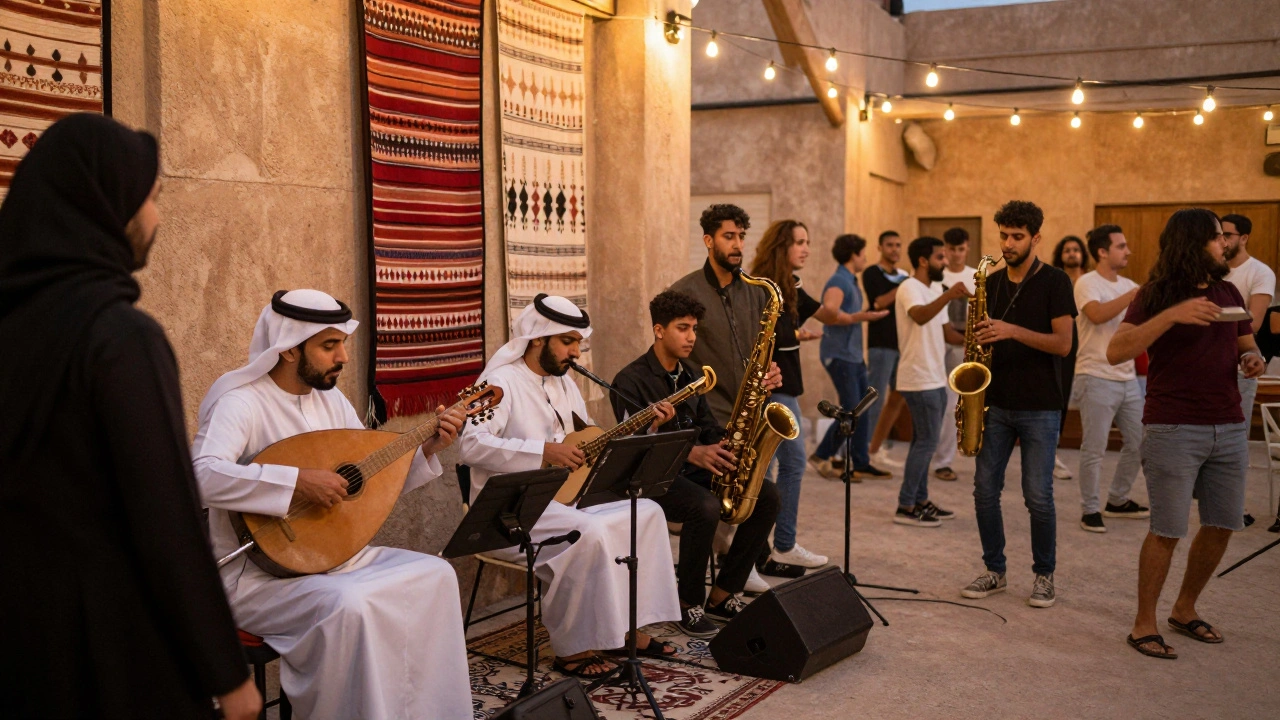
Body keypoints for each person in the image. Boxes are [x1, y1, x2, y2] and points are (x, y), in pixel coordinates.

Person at [0, 114, 259, 719]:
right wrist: (225, 670)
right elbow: (164, 515)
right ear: (106, 203)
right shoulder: (118, 337)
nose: (158, 217)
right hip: (107, 650)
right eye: (152, 197)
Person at [192, 289, 472, 719]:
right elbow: (200, 476)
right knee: (351, 607)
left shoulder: (332, 400)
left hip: (332, 555)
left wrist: (427, 448)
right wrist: (294, 482)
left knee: (435, 575)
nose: (343, 356)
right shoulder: (240, 401)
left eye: (342, 343)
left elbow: (368, 475)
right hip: (254, 576)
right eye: (329, 345)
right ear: (288, 349)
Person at [458, 295, 681, 678]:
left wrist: (646, 427)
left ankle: (624, 630)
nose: (576, 352)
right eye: (568, 342)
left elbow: (587, 438)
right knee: (587, 532)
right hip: (511, 509)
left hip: (565, 498)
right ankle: (572, 648)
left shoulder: (564, 384)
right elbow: (468, 445)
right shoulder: (499, 382)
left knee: (645, 513)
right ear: (538, 339)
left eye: (579, 342)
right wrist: (542, 451)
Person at [1107, 208, 1265, 659]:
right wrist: (1173, 315)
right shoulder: (1156, 294)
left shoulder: (1228, 289)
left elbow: (1245, 343)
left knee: (1222, 524)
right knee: (1168, 529)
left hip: (1229, 425)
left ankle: (1185, 607)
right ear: (1193, 243)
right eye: (1217, 238)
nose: (1225, 244)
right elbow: (1117, 349)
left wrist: (1253, 359)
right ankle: (1143, 624)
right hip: (1173, 425)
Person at [612, 290, 780, 636]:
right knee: (705, 506)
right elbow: (635, 445)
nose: (691, 337)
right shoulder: (630, 379)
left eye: (694, 329)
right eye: (682, 328)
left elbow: (706, 427)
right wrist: (692, 453)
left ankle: (723, 593)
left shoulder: (690, 374)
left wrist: (725, 444)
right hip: (651, 476)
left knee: (768, 496)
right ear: (659, 330)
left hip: (692, 471)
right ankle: (687, 603)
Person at [960, 201, 1076, 609]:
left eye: (1017, 237)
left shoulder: (1056, 282)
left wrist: (1011, 331)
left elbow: (1062, 344)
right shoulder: (989, 284)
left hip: (1040, 405)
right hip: (994, 403)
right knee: (983, 491)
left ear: (1036, 238)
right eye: (1004, 235)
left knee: (1038, 495)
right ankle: (996, 570)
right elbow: (980, 341)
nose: (1007, 244)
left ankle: (1044, 575)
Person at [671, 204, 787, 577]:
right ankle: (731, 566)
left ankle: (738, 565)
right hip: (711, 415)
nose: (737, 245)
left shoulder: (756, 292)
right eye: (728, 237)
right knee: (727, 497)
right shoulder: (685, 292)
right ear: (708, 240)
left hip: (752, 411)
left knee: (759, 495)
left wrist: (771, 371)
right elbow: (675, 355)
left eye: (741, 237)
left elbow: (761, 346)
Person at [749, 219, 873, 570]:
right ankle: (781, 545)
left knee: (773, 467)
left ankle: (761, 549)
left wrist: (802, 335)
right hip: (774, 389)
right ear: (780, 246)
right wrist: (862, 314)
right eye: (799, 242)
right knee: (792, 463)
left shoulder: (789, 286)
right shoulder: (764, 288)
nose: (806, 248)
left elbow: (822, 317)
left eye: (808, 241)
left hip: (785, 386)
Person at [1072, 224, 1148, 534]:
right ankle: (1089, 509)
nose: (1128, 251)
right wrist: (1132, 296)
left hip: (1127, 376)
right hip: (1095, 375)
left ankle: (1117, 499)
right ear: (1103, 252)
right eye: (1121, 246)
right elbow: (1096, 315)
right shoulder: (1086, 283)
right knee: (1095, 447)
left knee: (1142, 441)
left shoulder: (1130, 283)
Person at [893, 237, 969, 526]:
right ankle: (906, 506)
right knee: (926, 442)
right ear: (923, 261)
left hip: (936, 376)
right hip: (917, 377)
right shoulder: (909, 287)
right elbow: (921, 316)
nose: (945, 262)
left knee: (924, 442)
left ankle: (921, 500)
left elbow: (947, 332)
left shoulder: (936, 287)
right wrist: (949, 296)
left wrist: (976, 342)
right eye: (940, 257)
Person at [809, 234, 890, 479]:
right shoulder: (839, 281)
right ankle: (822, 455)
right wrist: (862, 317)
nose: (865, 257)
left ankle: (861, 461)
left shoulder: (850, 281)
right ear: (853, 255)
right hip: (840, 355)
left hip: (853, 356)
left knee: (862, 407)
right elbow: (830, 313)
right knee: (851, 411)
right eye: (863, 253)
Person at [1221, 213, 1274, 528]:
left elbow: (1251, 322)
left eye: (1228, 234)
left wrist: (1210, 317)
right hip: (1206, 363)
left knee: (1235, 437)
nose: (1223, 240)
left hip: (1242, 364)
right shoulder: (1212, 270)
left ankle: (1235, 507)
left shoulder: (1260, 272)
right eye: (1219, 235)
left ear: (1244, 238)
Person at [931, 227, 977, 483]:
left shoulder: (975, 275)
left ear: (967, 248)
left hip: (964, 344)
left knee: (953, 404)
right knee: (939, 403)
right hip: (938, 343)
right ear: (945, 249)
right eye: (952, 249)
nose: (957, 254)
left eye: (961, 249)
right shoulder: (938, 276)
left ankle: (944, 460)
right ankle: (938, 457)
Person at [863, 231, 911, 469]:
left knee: (899, 394)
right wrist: (904, 285)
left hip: (901, 343)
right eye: (890, 245)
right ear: (880, 247)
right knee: (875, 396)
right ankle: (865, 450)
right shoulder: (872, 272)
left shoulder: (904, 275)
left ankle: (877, 447)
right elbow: (879, 302)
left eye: (898, 245)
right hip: (880, 344)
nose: (894, 249)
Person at [1051, 234, 1089, 480]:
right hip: (1063, 346)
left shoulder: (1090, 282)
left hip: (1088, 349)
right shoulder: (1055, 281)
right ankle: (1051, 455)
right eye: (1067, 250)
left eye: (1076, 250)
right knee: (1059, 399)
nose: (1072, 254)